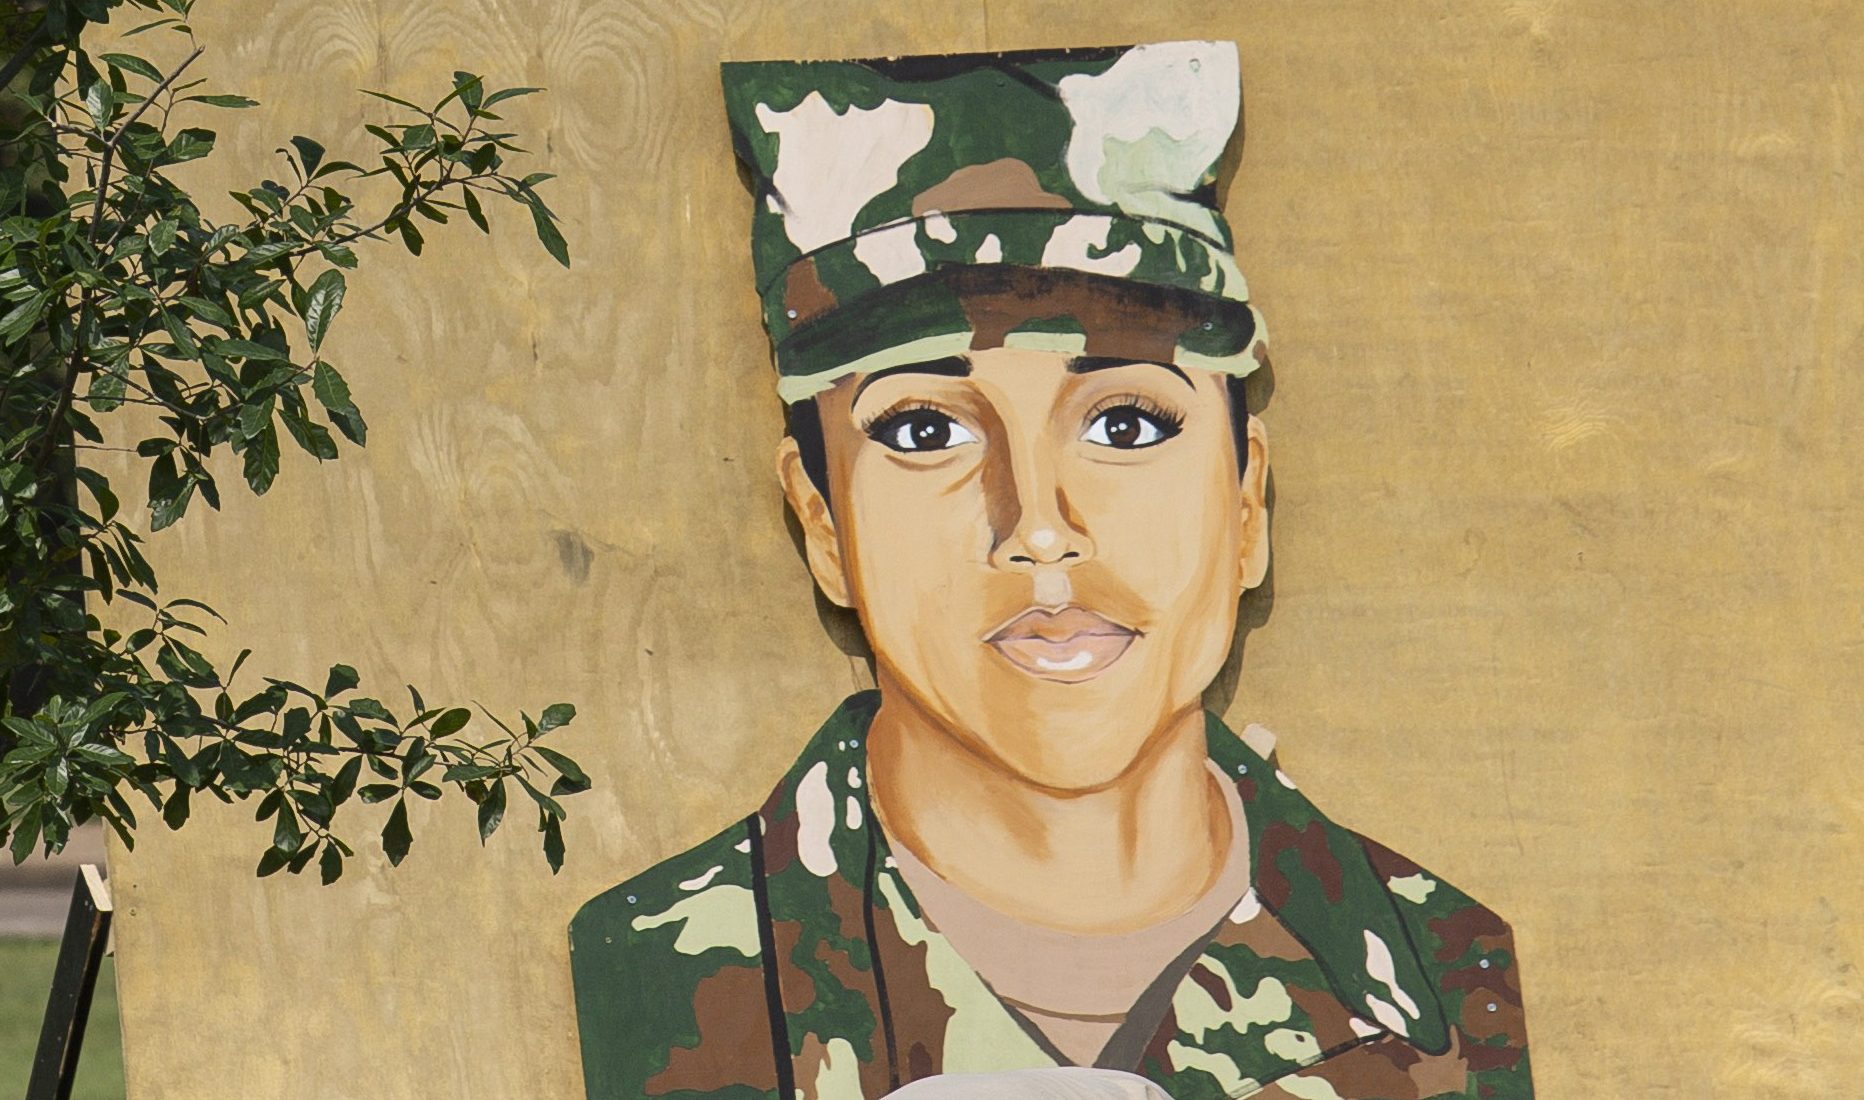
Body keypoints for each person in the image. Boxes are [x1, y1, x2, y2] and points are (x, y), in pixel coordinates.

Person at [570, 42, 1532, 1100]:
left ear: (1245, 499)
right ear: (822, 522)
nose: (1036, 525)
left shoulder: (1439, 969)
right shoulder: (678, 966)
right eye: (926, 427)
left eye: (1125, 421)